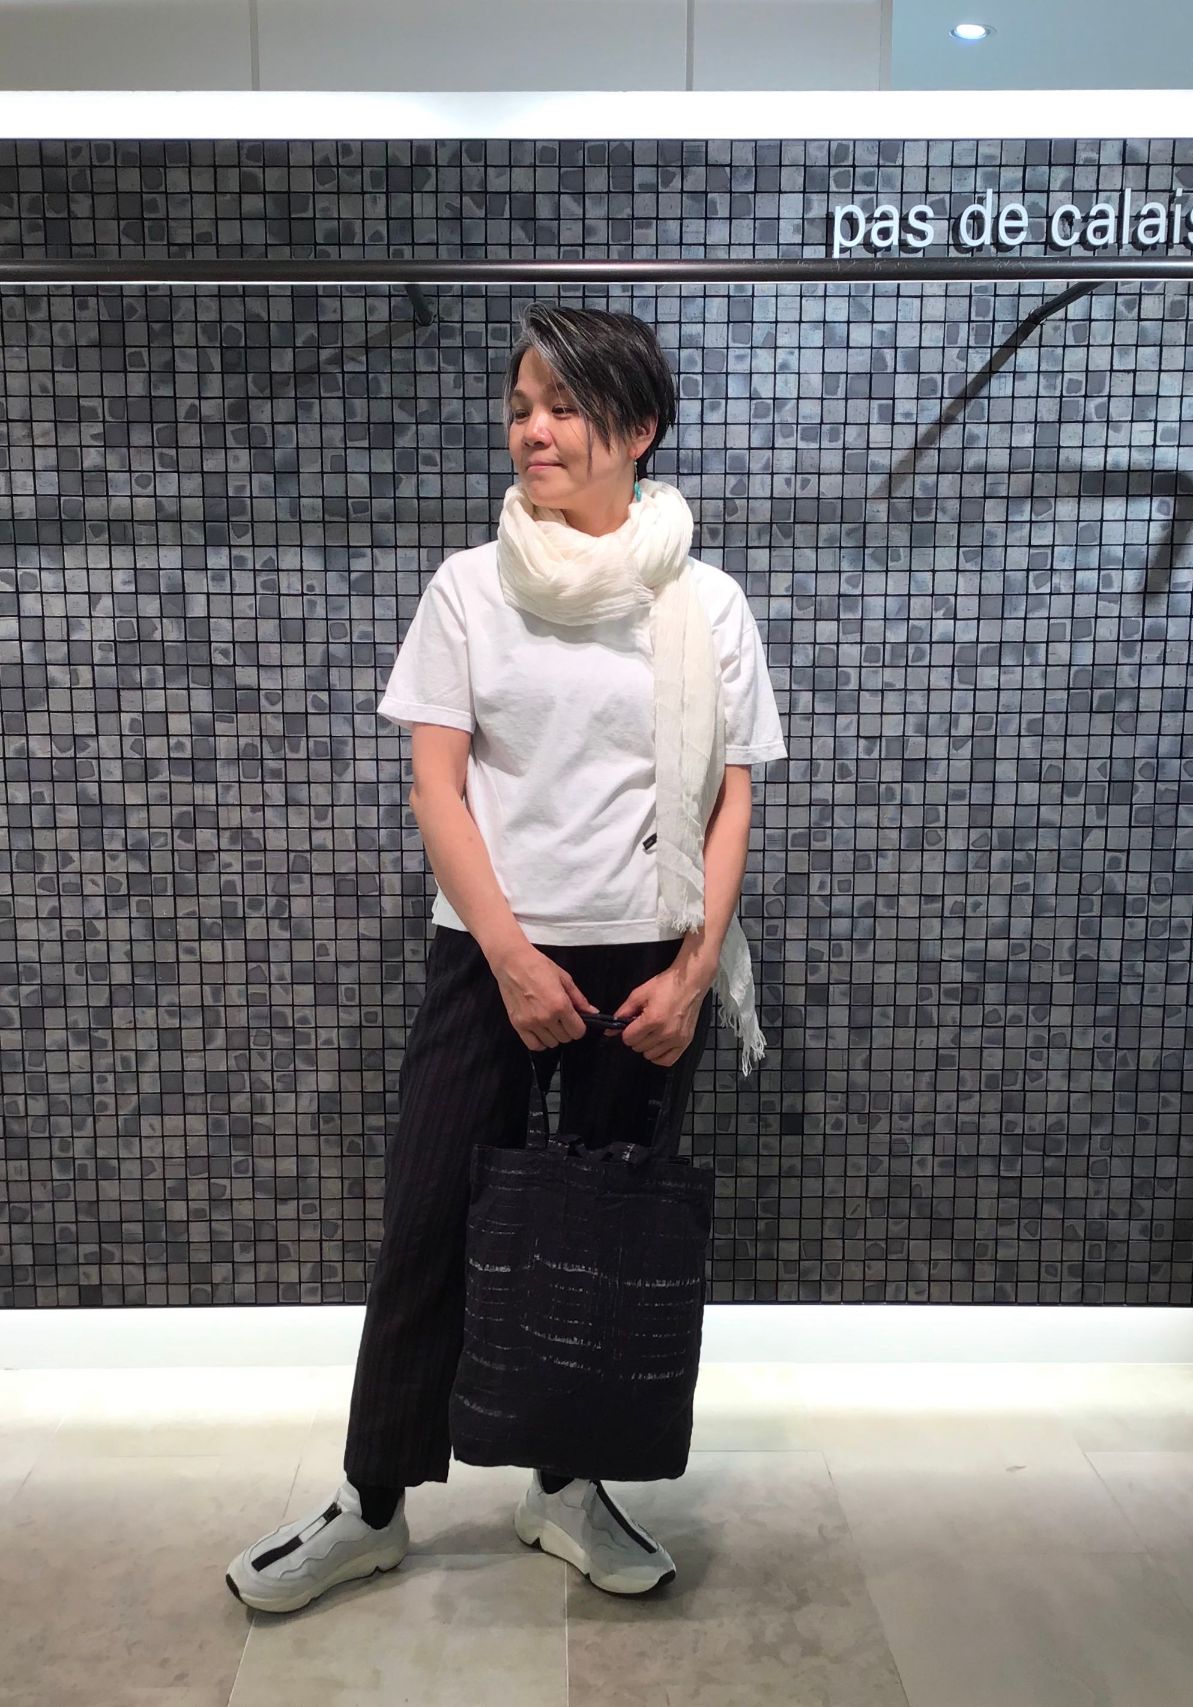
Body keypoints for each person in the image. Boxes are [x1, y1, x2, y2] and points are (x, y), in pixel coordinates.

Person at [225, 303, 788, 1614]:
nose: (534, 430)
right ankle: (370, 1503)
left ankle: (566, 1487)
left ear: (637, 429)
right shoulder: (471, 588)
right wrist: (512, 957)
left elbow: (733, 797)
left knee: (602, 1242)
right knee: (428, 1221)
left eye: (564, 407)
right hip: (490, 956)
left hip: (651, 962)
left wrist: (695, 969)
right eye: (521, 406)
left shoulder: (702, 601)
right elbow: (437, 786)